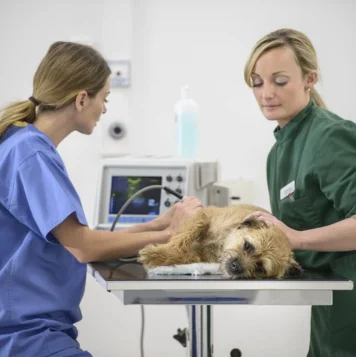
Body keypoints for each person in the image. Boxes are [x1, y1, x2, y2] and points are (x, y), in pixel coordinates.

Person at [0, 41, 202, 357]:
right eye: (104, 98)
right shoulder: (30, 153)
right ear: (82, 99)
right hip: (25, 338)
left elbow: (83, 238)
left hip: (37, 331)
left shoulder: (23, 142)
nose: (105, 109)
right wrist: (169, 234)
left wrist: (157, 223)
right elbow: (83, 246)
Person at [243, 28, 356, 357]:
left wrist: (297, 239)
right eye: (257, 82)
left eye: (280, 81)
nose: (267, 93)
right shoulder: (278, 152)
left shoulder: (331, 137)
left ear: (310, 78)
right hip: (329, 303)